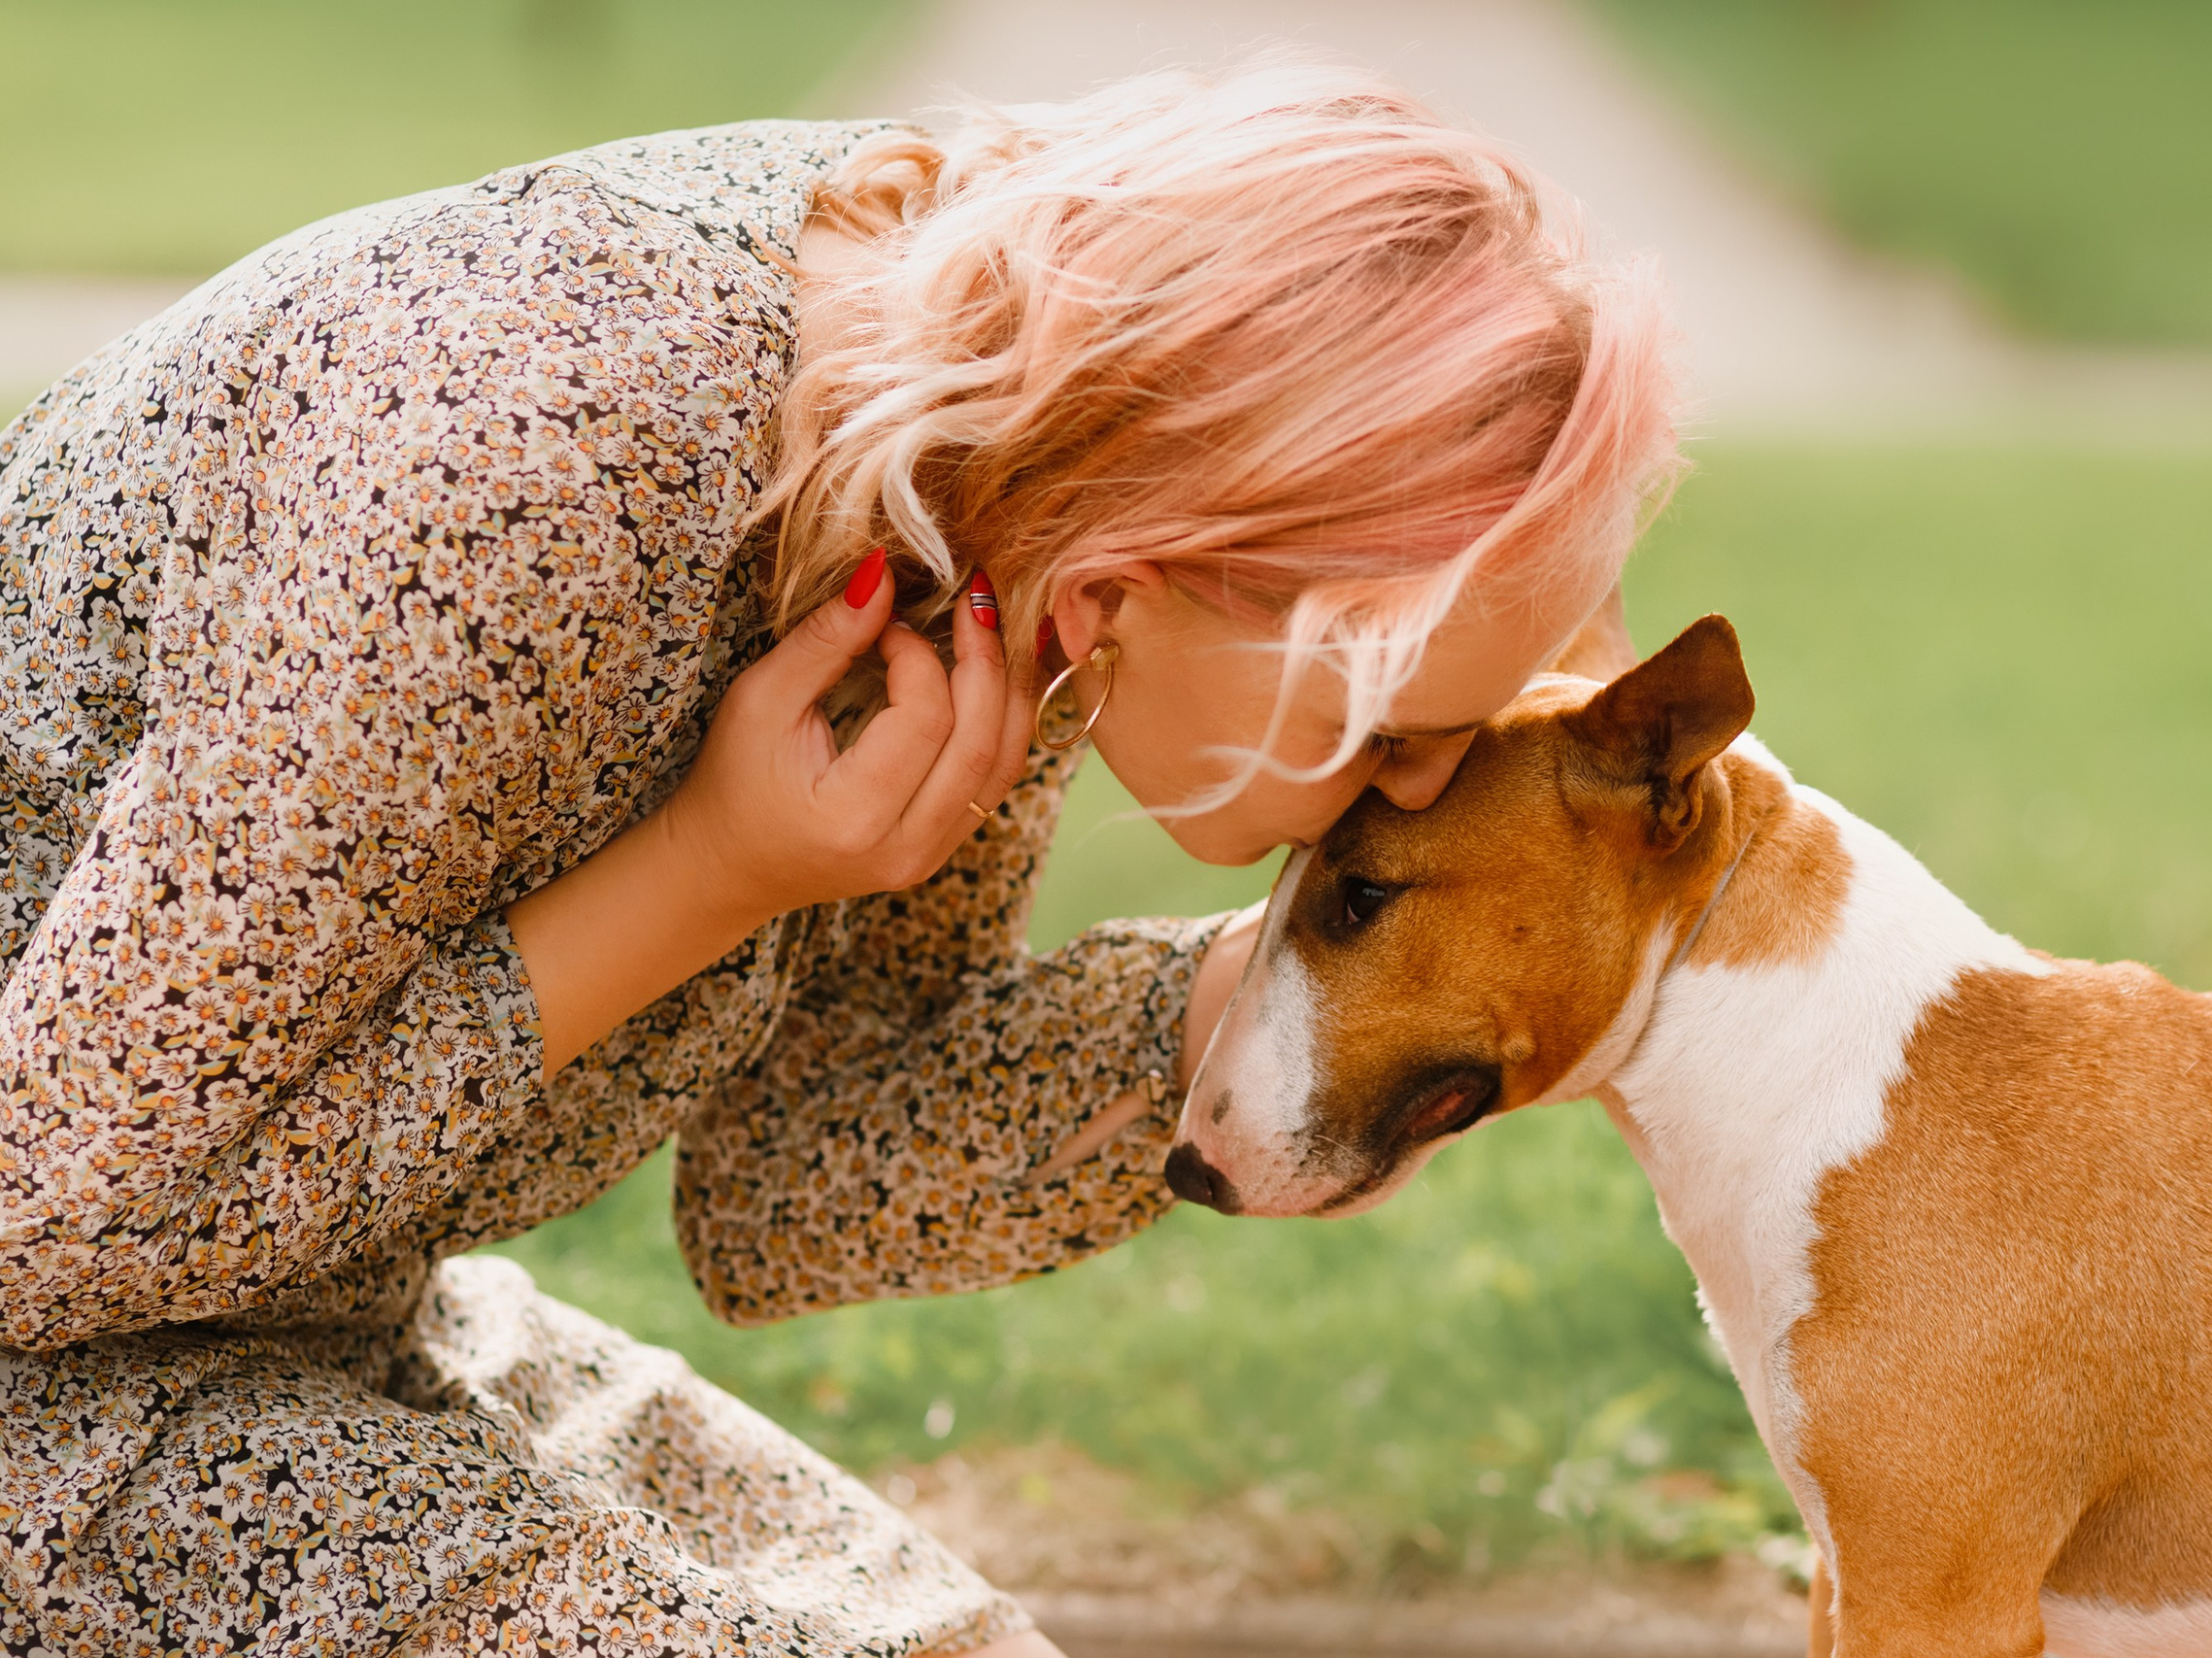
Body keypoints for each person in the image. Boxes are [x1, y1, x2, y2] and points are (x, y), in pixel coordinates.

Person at [0, 62, 1676, 1658]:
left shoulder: (1009, 490)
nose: (1423, 783)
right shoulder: (520, 459)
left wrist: (1259, 1015)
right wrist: (711, 870)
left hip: (315, 1321)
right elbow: (47, 1213)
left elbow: (793, 1188)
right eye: (1393, 727)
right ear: (1141, 585)